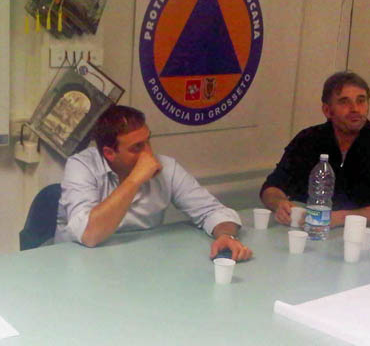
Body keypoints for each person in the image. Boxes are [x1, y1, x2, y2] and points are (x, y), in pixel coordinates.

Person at [56, 105, 252, 260]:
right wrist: (135, 179)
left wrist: (226, 236)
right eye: (137, 148)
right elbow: (89, 235)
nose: (148, 154)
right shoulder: (81, 166)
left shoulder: (168, 168)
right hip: (78, 262)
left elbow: (213, 211)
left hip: (140, 262)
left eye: (148, 141)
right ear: (109, 153)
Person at [260, 71, 370, 228]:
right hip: (309, 232)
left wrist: (338, 218)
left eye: (361, 101)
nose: (355, 108)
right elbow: (270, 188)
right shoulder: (307, 140)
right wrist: (280, 203)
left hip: (366, 237)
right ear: (327, 110)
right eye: (344, 102)